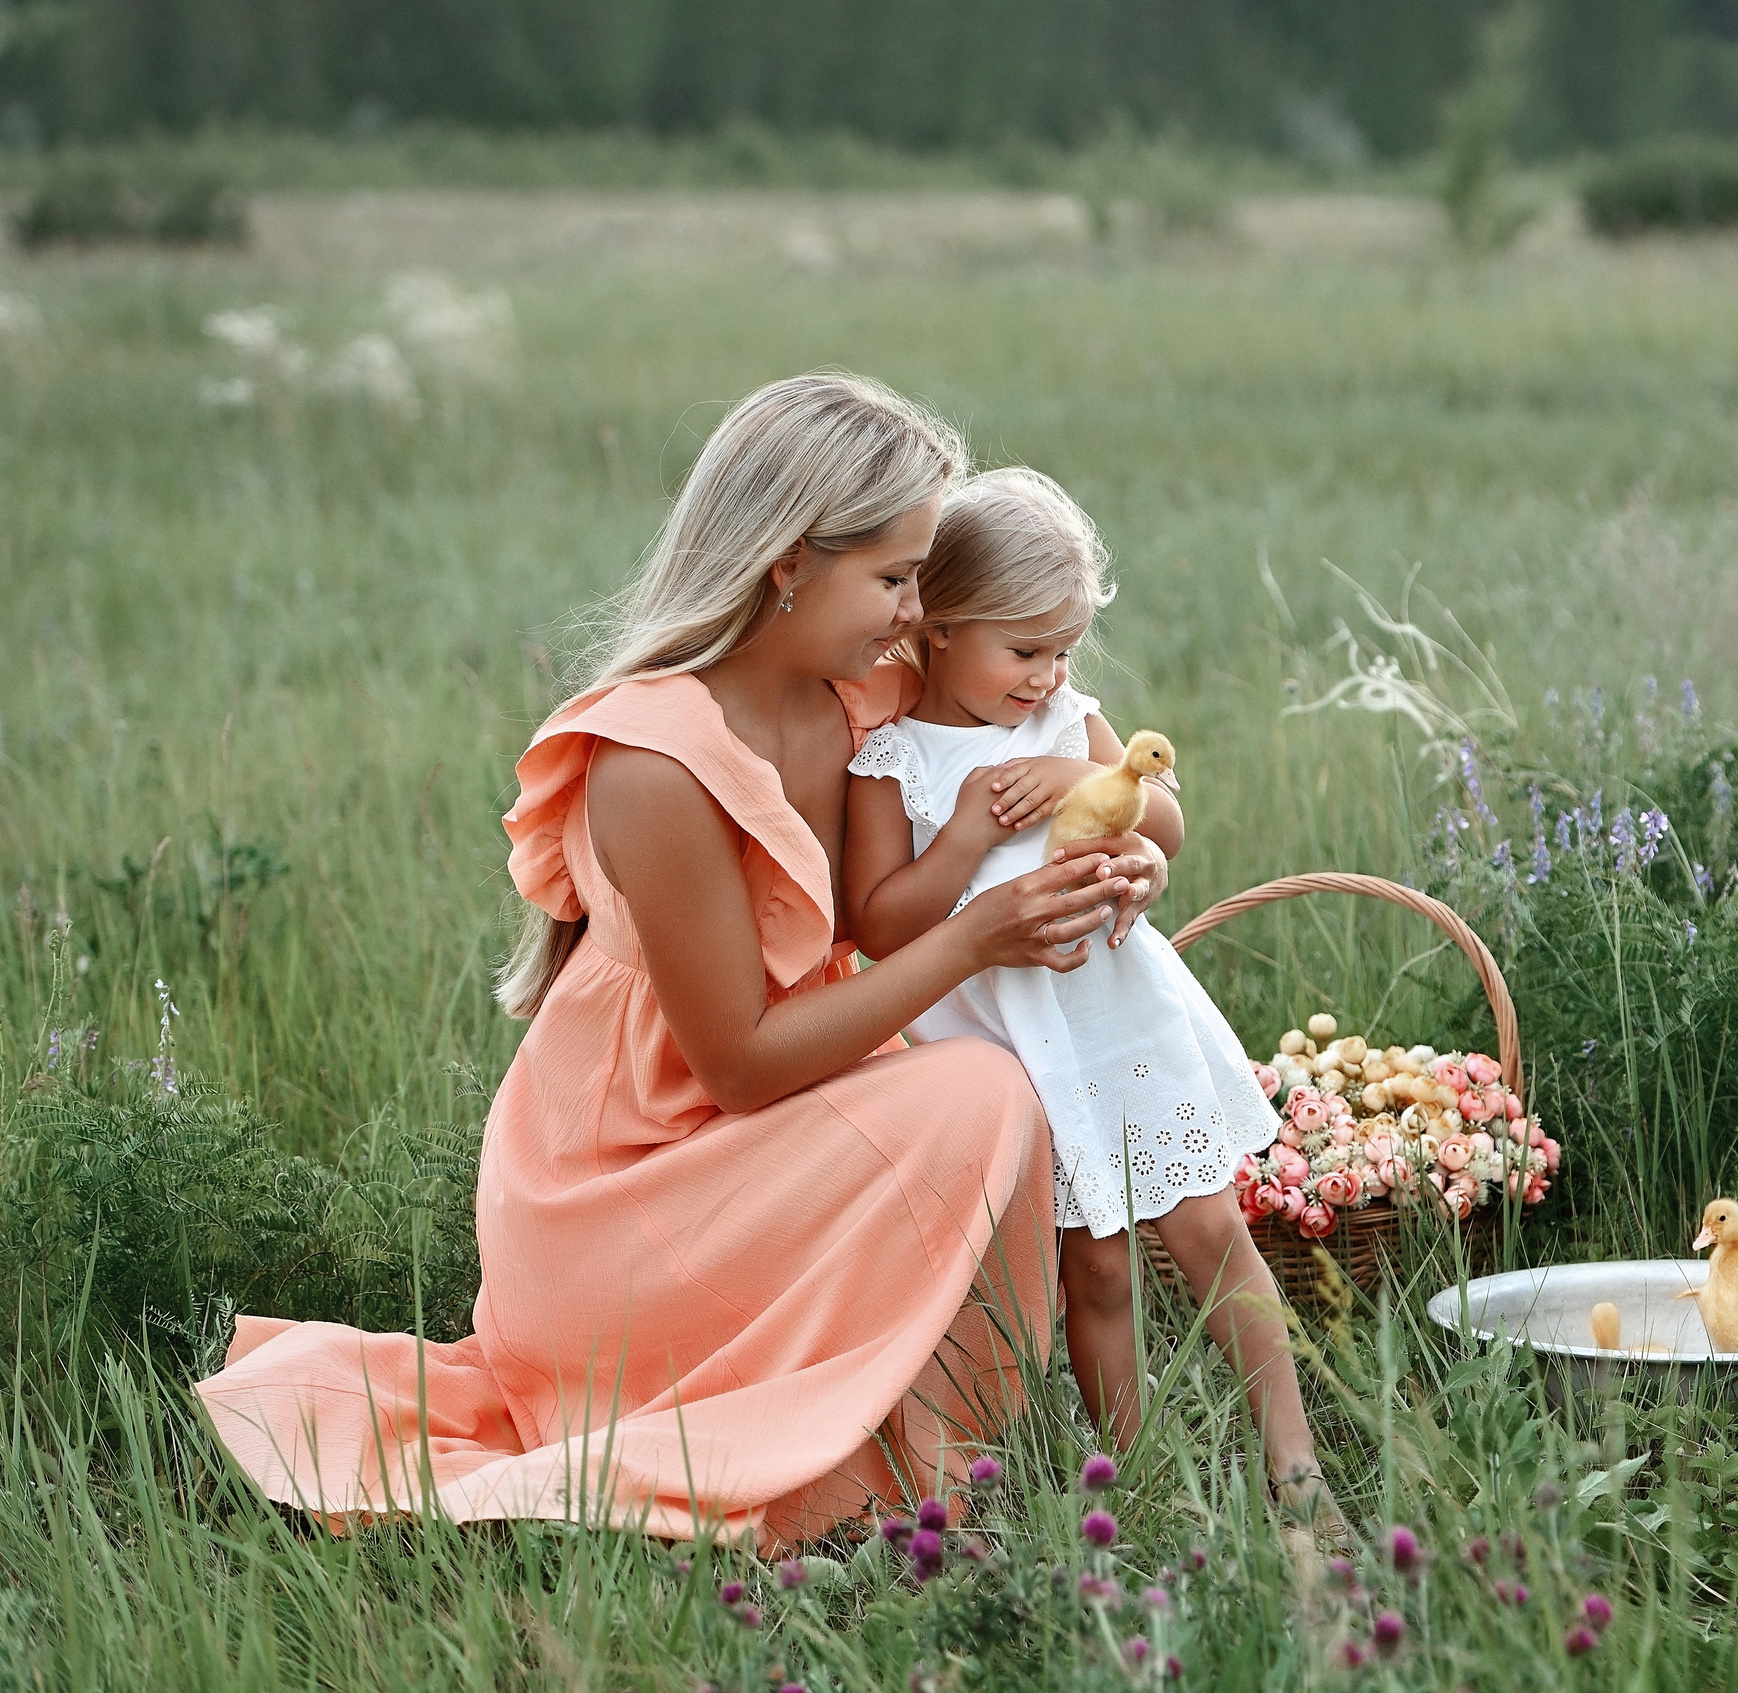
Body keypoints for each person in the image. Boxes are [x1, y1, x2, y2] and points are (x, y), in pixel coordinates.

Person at [196, 373, 1157, 1550]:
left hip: (770, 1132)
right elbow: (740, 1066)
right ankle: (897, 1471)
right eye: (896, 578)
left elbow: (1067, 747)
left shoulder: (867, 695)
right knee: (979, 1090)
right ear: (789, 563)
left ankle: (947, 1467)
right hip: (629, 1191)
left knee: (998, 1092)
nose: (917, 612)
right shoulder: (654, 762)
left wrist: (1121, 849)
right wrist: (974, 938)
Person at [842, 466, 1330, 1515]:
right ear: (937, 624)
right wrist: (965, 832)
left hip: (1121, 1022)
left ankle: (1295, 1465)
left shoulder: (1069, 720)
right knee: (1096, 1271)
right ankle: (1136, 1483)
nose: (1048, 674)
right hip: (1013, 1054)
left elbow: (1166, 825)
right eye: (1024, 650)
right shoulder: (893, 760)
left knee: (1212, 1233)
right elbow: (878, 924)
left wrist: (1103, 806)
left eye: (1064, 649)